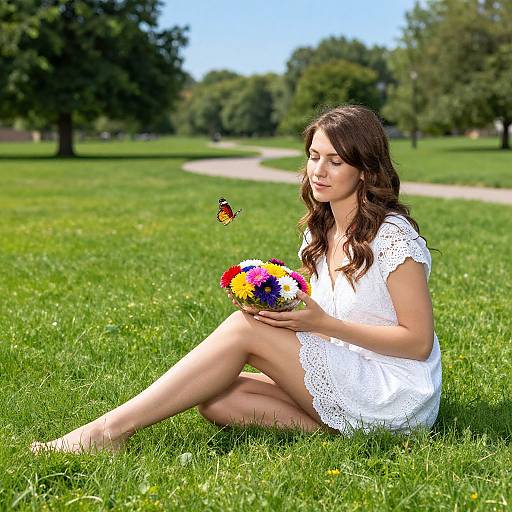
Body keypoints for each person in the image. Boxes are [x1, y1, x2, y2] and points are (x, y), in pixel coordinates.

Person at [30, 104, 441, 454]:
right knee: (215, 399)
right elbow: (324, 301)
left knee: (242, 333)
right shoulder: (321, 231)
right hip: (349, 365)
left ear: (365, 171)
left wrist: (321, 325)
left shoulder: (391, 237)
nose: (319, 170)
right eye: (314, 156)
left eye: (335, 161)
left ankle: (106, 432)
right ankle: (342, 433)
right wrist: (271, 296)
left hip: (394, 388)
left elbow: (418, 342)